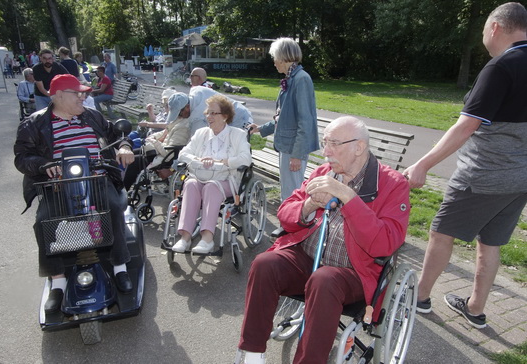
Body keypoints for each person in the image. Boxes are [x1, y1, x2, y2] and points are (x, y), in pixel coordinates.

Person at [237, 116, 410, 364]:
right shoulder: (324, 172)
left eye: (334, 143)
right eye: (325, 142)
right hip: (308, 257)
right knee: (265, 264)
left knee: (325, 280)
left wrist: (348, 197)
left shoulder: (393, 184)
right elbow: (286, 213)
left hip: (354, 273)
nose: (326, 151)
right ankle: (252, 355)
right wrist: (308, 206)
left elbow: (384, 243)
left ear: (359, 147)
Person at [403, 2, 527, 330]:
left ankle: (420, 299)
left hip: (482, 176)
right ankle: (475, 309)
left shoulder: (501, 67)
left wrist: (422, 164)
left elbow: (464, 127)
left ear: (496, 27)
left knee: (441, 233)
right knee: (492, 243)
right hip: (520, 181)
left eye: (485, 27)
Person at [13, 74, 135, 313]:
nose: (83, 97)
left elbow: (117, 135)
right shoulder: (34, 123)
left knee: (112, 207)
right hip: (58, 185)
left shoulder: (92, 116)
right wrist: (43, 165)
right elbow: (22, 157)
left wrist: (124, 146)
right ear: (58, 95)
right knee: (43, 221)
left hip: (97, 178)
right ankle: (57, 281)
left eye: (84, 93)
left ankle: (120, 267)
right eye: (77, 93)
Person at [248, 37, 319, 237]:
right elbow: (284, 118)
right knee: (288, 188)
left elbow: (305, 120)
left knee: (293, 190)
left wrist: (297, 154)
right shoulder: (291, 79)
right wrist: (260, 129)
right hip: (287, 145)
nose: (274, 62)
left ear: (284, 57)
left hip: (293, 148)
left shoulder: (301, 79)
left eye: (275, 57)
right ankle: (290, 225)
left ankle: (293, 228)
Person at [171, 95, 252, 254]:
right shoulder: (201, 133)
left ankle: (207, 239)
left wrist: (222, 161)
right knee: (190, 184)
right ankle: (185, 238)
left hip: (226, 180)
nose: (209, 116)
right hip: (199, 176)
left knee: (211, 187)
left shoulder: (237, 134)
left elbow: (246, 159)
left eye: (214, 113)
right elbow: (183, 154)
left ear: (225, 116)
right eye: (208, 112)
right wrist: (198, 160)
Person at [123, 92, 191, 190]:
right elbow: (164, 132)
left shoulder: (183, 126)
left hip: (166, 157)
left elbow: (170, 152)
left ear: (187, 108)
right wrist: (152, 137)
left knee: (134, 162)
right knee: (132, 154)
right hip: (162, 152)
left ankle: (124, 190)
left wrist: (153, 141)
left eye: (178, 112)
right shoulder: (179, 120)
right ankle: (124, 187)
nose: (177, 115)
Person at [182, 86, 253, 135]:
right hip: (236, 113)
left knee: (233, 145)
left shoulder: (198, 116)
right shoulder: (196, 92)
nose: (180, 117)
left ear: (187, 107)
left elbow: (199, 140)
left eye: (180, 113)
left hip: (240, 118)